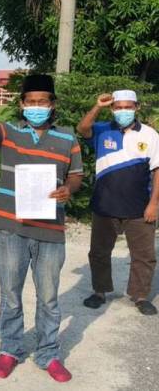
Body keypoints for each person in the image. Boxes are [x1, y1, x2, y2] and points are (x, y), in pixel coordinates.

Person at [0, 69, 83, 382]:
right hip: (12, 228)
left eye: (42, 101)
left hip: (50, 230)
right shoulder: (8, 132)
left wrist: (68, 190)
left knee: (48, 297)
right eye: (30, 101)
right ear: (21, 104)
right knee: (10, 294)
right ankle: (10, 349)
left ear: (53, 104)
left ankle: (48, 353)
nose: (36, 106)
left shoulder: (68, 137)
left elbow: (76, 175)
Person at [77, 90, 158, 316]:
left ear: (137, 107)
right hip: (105, 204)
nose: (123, 111)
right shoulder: (103, 130)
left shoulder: (150, 135)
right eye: (118, 107)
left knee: (144, 255)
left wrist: (154, 204)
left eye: (128, 107)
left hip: (139, 207)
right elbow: (82, 129)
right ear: (112, 109)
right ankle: (100, 291)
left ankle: (140, 296)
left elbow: (157, 170)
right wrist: (97, 107)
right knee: (99, 252)